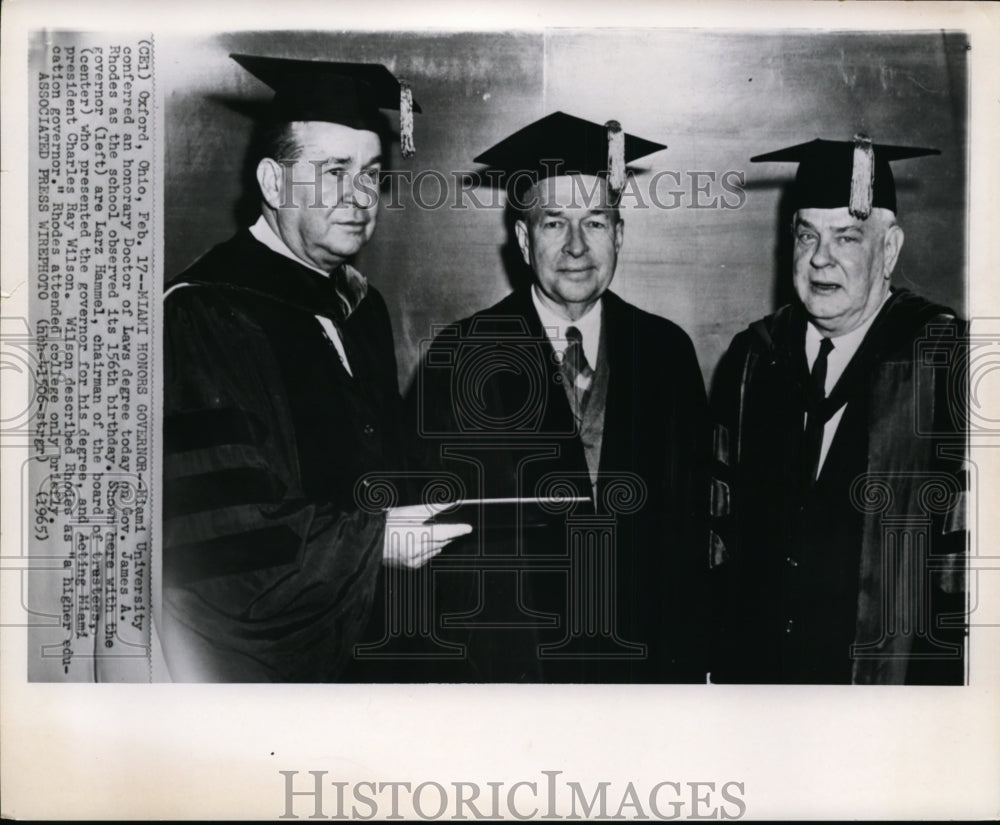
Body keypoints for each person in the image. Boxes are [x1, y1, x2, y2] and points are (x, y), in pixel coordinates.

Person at [161, 54, 470, 682]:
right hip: (264, 666)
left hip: (374, 639)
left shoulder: (361, 306)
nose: (360, 198)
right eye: (334, 172)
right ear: (274, 185)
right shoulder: (204, 314)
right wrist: (374, 542)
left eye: (372, 175)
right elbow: (224, 536)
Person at [411, 112, 710, 682]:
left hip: (644, 670)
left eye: (595, 222)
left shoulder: (666, 352)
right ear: (524, 240)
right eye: (554, 223)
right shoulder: (462, 356)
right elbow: (435, 548)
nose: (576, 246)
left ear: (620, 235)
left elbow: (690, 534)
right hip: (512, 674)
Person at [710, 136, 967, 684]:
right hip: (764, 691)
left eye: (846, 237)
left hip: (889, 693)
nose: (821, 258)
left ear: (890, 250)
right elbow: (719, 540)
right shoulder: (754, 360)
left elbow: (961, 567)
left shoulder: (946, 365)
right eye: (807, 235)